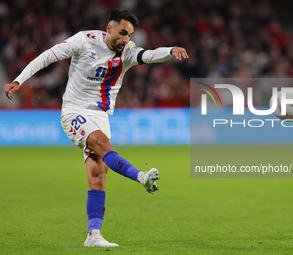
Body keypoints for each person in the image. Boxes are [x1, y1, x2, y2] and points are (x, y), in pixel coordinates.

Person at [4, 9, 189, 248]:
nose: (126, 39)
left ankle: (93, 235)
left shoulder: (128, 52)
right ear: (109, 28)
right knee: (102, 143)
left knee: (98, 175)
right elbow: (48, 56)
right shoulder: (84, 40)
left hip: (100, 115)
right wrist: (19, 79)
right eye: (122, 33)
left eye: (130, 34)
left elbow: (149, 55)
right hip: (74, 111)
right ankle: (141, 177)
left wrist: (170, 51)